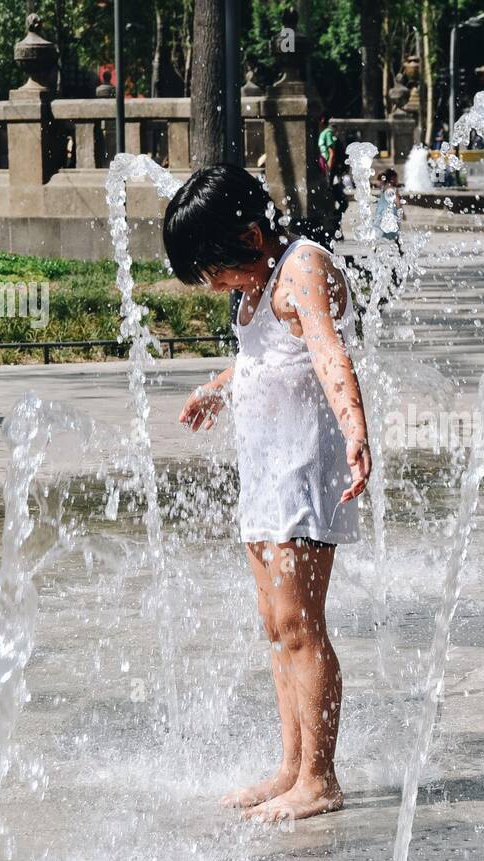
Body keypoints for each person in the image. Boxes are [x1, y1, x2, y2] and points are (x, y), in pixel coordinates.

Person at [164, 164, 371, 822]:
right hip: (265, 475)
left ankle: (320, 776)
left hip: (305, 474)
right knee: (276, 629)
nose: (211, 284)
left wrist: (358, 432)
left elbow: (328, 352)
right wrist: (217, 388)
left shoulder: (303, 268)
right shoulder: (260, 283)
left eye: (213, 269)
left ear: (250, 236)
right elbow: (265, 357)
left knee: (300, 627)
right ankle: (291, 765)